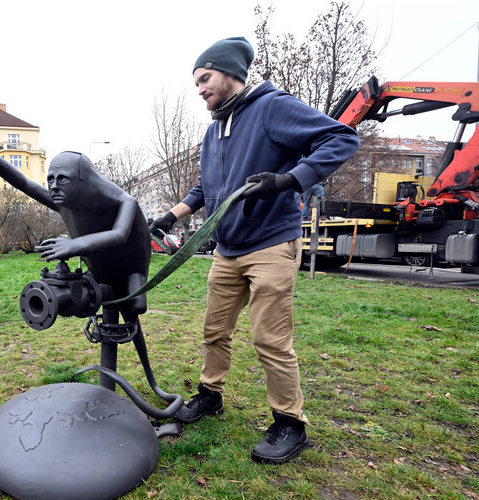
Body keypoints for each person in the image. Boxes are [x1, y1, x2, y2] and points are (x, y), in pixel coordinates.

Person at [151, 36, 359, 464]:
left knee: (270, 338)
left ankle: (290, 423)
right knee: (214, 330)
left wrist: (290, 179)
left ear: (230, 74)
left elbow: (342, 138)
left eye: (205, 78)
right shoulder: (214, 130)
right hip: (227, 250)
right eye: (196, 82)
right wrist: (172, 216)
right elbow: (207, 186)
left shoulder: (271, 106)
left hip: (271, 244)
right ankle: (211, 395)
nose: (200, 88)